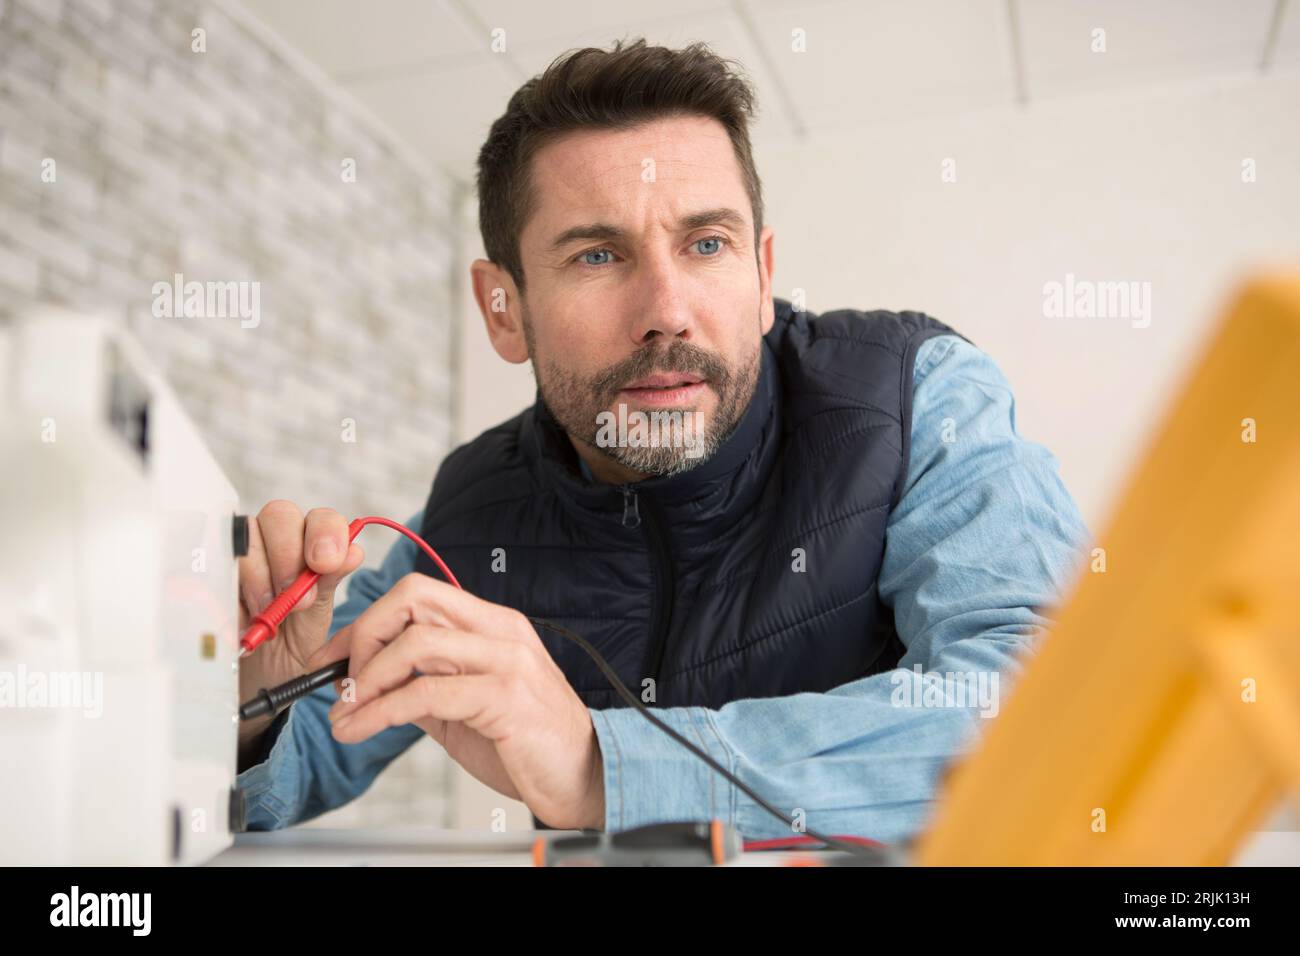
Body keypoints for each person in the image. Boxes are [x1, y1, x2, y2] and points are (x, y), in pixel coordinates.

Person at [235, 39, 1092, 842]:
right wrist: (254, 706)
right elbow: (299, 754)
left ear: (761, 275)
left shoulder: (917, 397)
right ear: (504, 308)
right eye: (598, 256)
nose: (666, 313)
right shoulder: (472, 508)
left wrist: (603, 769)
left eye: (706, 243)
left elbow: (1055, 715)